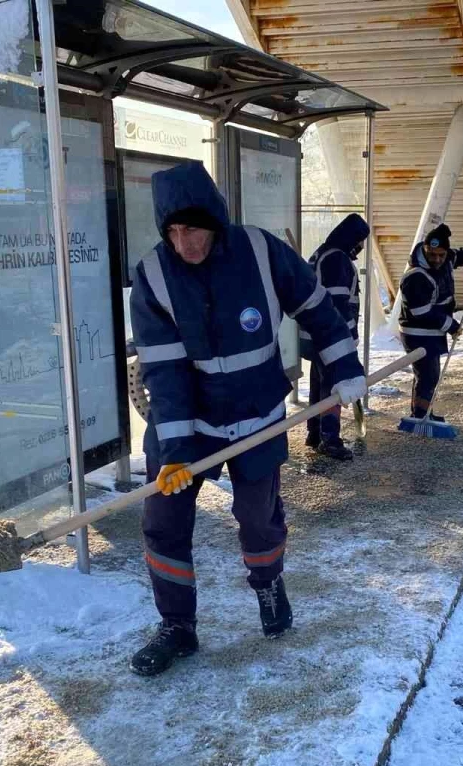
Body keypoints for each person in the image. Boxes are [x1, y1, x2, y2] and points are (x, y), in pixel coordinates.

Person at [127, 161, 366, 677]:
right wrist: (175, 453)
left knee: (258, 518)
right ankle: (177, 626)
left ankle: (268, 585)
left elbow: (318, 308)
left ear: (213, 217)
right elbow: (165, 374)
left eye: (192, 227)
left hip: (259, 417)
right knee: (164, 523)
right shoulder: (152, 277)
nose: (184, 241)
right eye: (173, 231)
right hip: (186, 424)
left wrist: (344, 367)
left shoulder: (260, 251)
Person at [397, 224, 463, 421]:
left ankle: (423, 413)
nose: (437, 259)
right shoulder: (416, 276)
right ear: (424, 250)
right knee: (427, 375)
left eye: (441, 255)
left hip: (432, 332)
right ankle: (420, 415)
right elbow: (421, 312)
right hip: (417, 333)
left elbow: (457, 256)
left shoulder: (445, 259)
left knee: (429, 375)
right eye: (431, 254)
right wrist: (450, 325)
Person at [303, 213, 371, 461]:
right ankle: (329, 439)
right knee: (333, 386)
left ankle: (314, 433)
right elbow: (338, 304)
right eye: (360, 242)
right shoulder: (337, 259)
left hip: (316, 336)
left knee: (318, 384)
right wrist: (348, 337)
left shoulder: (322, 253)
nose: (360, 248)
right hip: (331, 338)